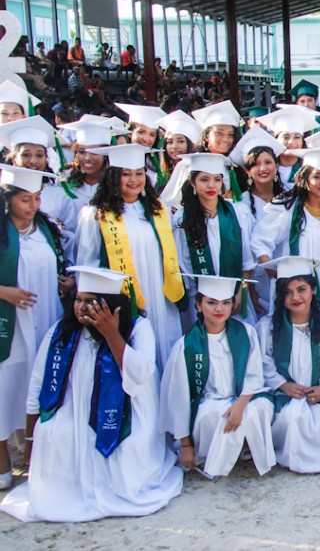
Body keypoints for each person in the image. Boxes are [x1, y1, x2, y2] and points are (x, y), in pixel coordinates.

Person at [0, 266, 182, 522]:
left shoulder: (138, 328)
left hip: (127, 415)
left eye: (91, 301)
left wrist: (111, 334)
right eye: (78, 300)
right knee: (54, 435)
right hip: (71, 412)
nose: (82, 308)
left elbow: (141, 374)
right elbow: (38, 385)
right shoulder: (61, 331)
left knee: (125, 448)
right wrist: (31, 439)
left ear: (111, 304)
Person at [76, 144, 186, 369]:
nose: (134, 180)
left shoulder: (158, 209)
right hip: (121, 295)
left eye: (139, 173)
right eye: (126, 174)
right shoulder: (95, 214)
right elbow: (87, 260)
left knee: (162, 346)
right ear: (113, 177)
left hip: (158, 292)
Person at [0, 165, 74, 491]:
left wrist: (64, 280)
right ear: (7, 200)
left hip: (45, 318)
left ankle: (39, 454)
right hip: (11, 324)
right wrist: (6, 292)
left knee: (43, 381)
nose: (32, 206)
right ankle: (3, 459)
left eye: (37, 198)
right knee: (6, 386)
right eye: (25, 199)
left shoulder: (45, 228)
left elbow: (57, 263)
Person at [161, 274, 275, 478]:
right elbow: (178, 397)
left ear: (233, 305)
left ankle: (242, 448)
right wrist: (185, 445)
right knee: (214, 413)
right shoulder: (186, 346)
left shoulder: (246, 332)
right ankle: (219, 459)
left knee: (259, 407)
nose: (219, 309)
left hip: (243, 397)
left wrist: (240, 405)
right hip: (210, 402)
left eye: (226, 303)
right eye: (211, 302)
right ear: (198, 305)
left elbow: (254, 376)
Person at [256, 257, 320, 473]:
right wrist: (283, 385)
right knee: (289, 418)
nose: (295, 297)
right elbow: (263, 363)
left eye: (301, 289)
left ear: (313, 289)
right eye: (288, 292)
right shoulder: (268, 326)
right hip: (285, 392)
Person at [163, 153, 258, 322]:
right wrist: (202, 298)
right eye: (204, 179)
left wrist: (239, 292)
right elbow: (182, 264)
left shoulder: (238, 212)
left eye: (217, 179)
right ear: (193, 182)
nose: (211, 185)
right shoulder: (181, 219)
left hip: (236, 295)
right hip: (199, 299)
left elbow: (247, 257)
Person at [252, 148, 320, 310]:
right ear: (305, 178)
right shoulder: (287, 206)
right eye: (317, 176)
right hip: (296, 287)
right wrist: (272, 270)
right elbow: (260, 240)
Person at [0, 116, 79, 234]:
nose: (33, 161)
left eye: (39, 155)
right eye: (26, 155)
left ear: (46, 158)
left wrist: (57, 229)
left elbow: (71, 234)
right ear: (14, 159)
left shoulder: (60, 196)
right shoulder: (3, 194)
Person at [257, 105, 320, 191]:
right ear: (276, 140)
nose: (291, 142)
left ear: (302, 141)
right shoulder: (266, 169)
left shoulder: (310, 169)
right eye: (286, 137)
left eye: (297, 137)